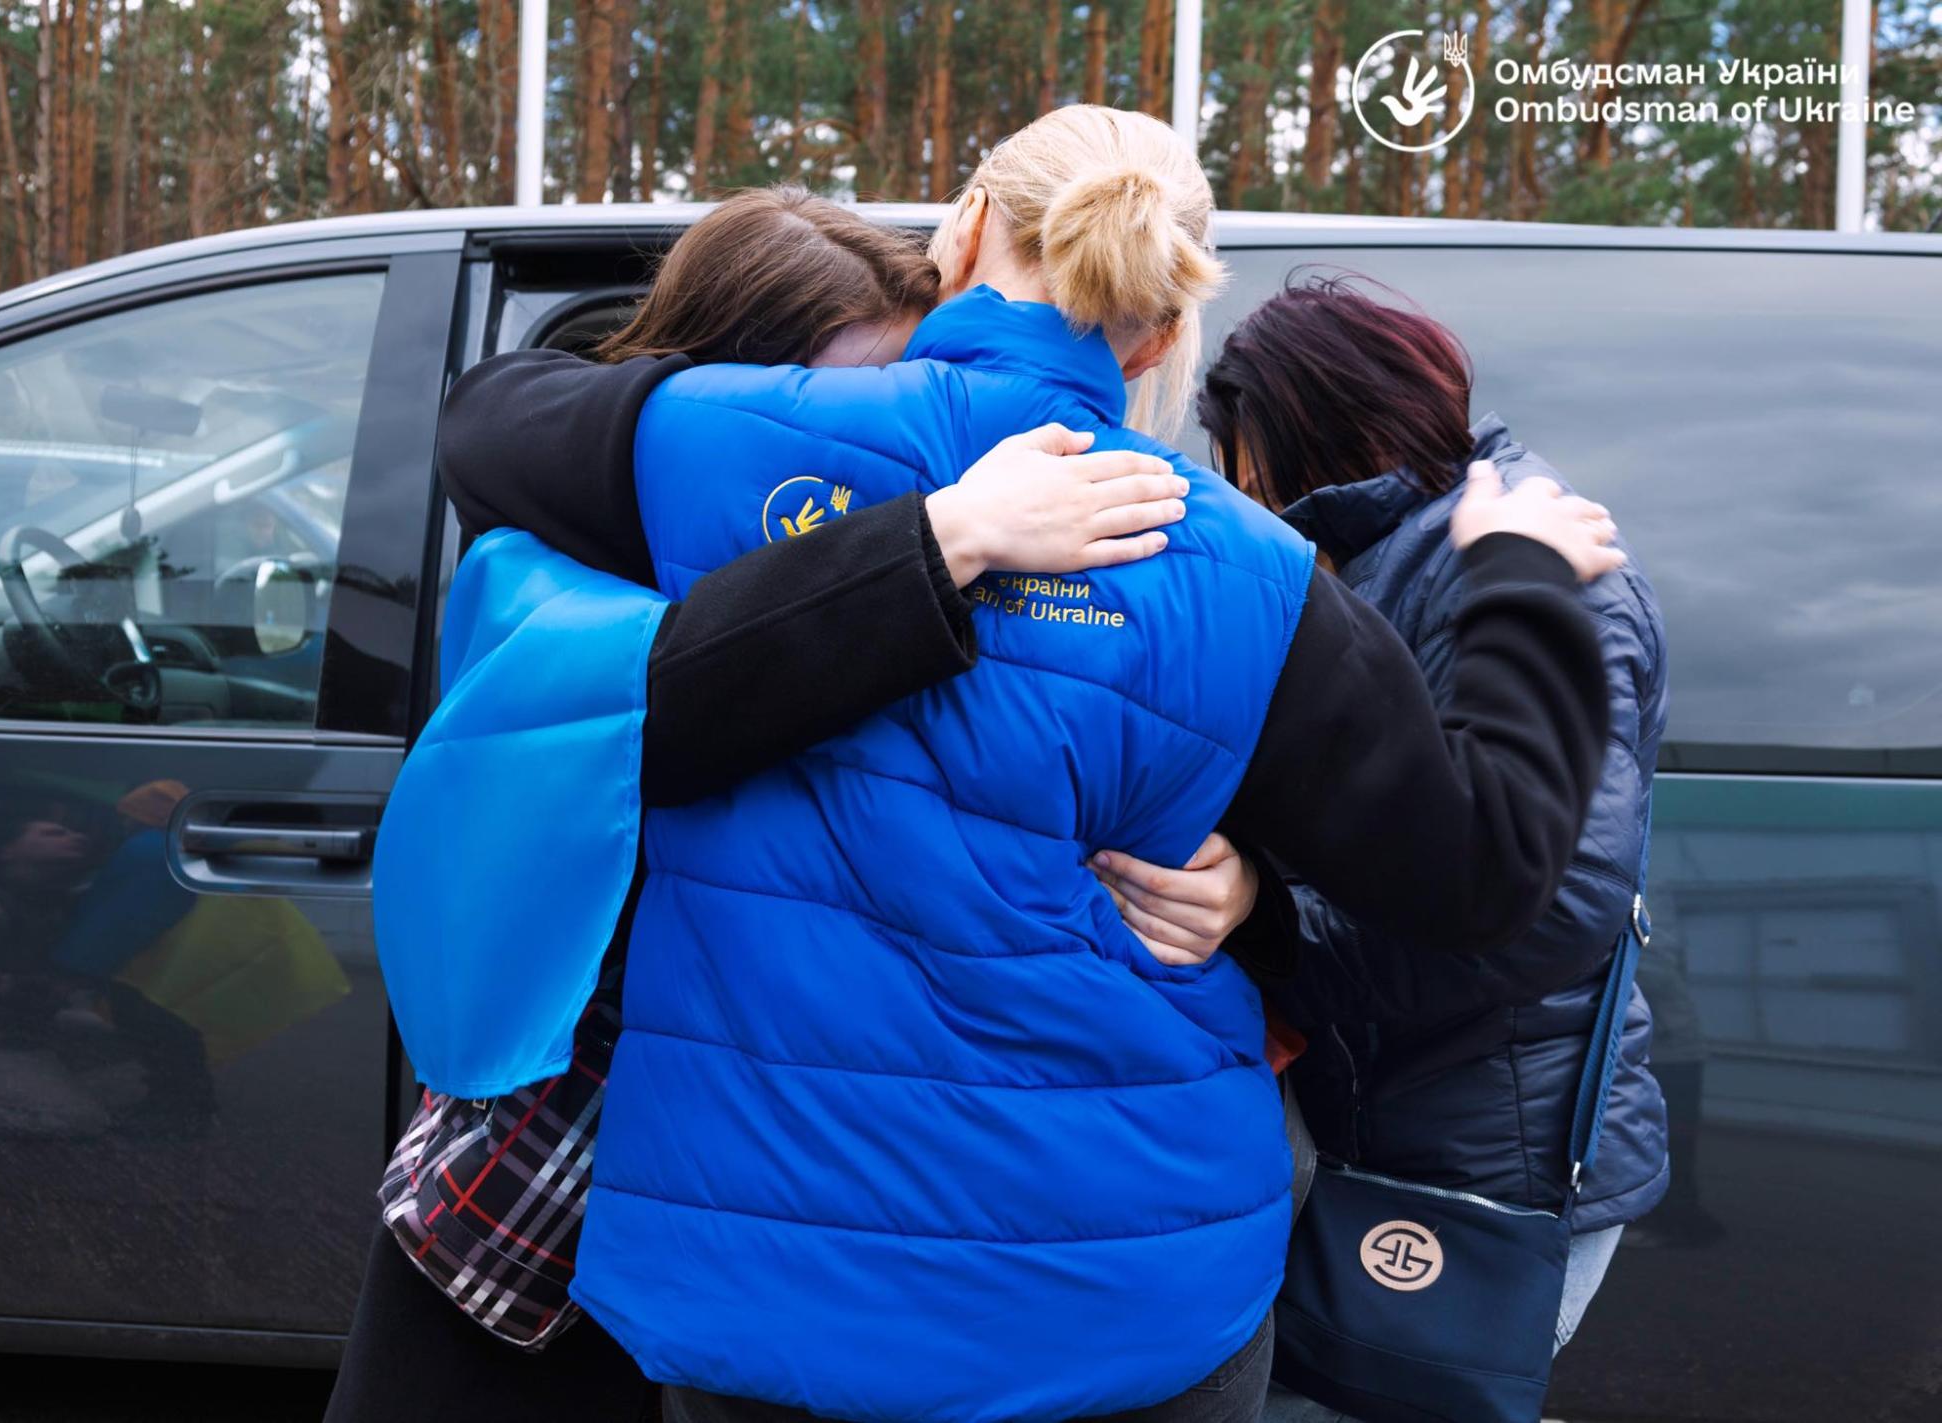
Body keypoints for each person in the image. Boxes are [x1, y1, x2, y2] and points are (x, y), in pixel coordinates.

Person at [441, 108, 1623, 1423]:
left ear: (961, 232)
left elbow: (486, 428)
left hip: (768, 1284)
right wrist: (1520, 581)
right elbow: (1485, 866)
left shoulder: (732, 438)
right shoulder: (1248, 570)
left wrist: (917, 524)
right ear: (1161, 333)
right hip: (1134, 1293)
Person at [325, 187, 1198, 1423]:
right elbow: (691, 692)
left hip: (784, 1202)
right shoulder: (581, 574)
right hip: (558, 1165)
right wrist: (938, 535)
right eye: (840, 410)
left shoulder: (990, 577)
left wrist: (1232, 875)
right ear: (729, 402)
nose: (876, 453)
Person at [1089, 273, 1669, 1420]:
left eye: (1236, 455)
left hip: (1479, 1152)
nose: (1235, 489)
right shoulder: (1388, 555)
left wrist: (1269, 923)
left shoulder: (1531, 563)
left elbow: (1548, 908)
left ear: (1290, 432)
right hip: (1393, 1119)